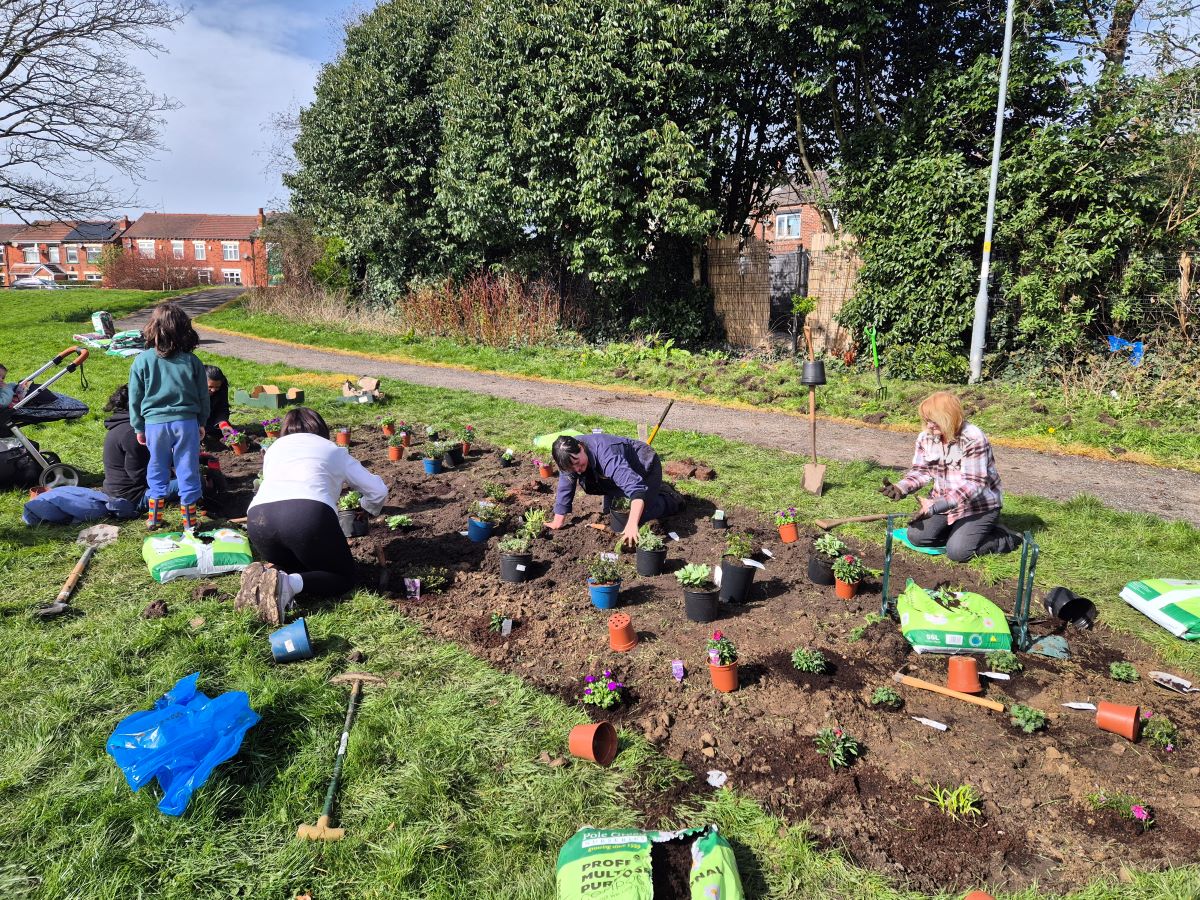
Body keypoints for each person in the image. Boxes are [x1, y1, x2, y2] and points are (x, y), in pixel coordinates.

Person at [235, 407, 387, 624]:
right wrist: (366, 506)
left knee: (299, 565)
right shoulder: (333, 450)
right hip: (306, 516)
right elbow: (378, 491)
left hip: (259, 520)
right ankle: (288, 584)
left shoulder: (274, 449)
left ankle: (267, 578)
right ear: (321, 428)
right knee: (344, 578)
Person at [879, 391, 1022, 562]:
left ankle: (1005, 537)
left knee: (958, 552)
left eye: (933, 420)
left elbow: (974, 484)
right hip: (942, 505)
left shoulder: (972, 438)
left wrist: (937, 505)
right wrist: (901, 487)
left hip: (978, 506)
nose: (929, 426)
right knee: (916, 537)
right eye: (926, 420)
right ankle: (959, 532)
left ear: (949, 417)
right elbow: (921, 471)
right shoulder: (926, 437)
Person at [128, 302, 209, 531]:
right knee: (187, 467)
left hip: (154, 425)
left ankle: (154, 518)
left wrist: (138, 427)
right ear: (184, 329)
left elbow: (135, 398)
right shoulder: (192, 361)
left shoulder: (142, 360)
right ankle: (190, 523)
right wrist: (202, 422)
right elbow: (203, 396)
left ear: (153, 327)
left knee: (157, 466)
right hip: (186, 423)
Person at [548, 432, 684, 547]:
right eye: (572, 468)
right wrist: (558, 519)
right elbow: (566, 484)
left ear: (581, 447)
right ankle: (627, 493)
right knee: (612, 513)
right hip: (619, 470)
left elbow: (636, 490)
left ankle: (671, 498)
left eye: (578, 463)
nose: (577, 470)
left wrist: (632, 524)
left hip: (645, 466)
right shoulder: (568, 457)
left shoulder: (607, 455)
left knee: (640, 517)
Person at [101, 385, 178, 513]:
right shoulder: (132, 434)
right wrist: (172, 473)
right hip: (132, 499)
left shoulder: (122, 424)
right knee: (193, 481)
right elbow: (140, 474)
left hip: (116, 491)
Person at [203, 365, 232, 447]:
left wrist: (223, 423)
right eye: (210, 387)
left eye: (217, 387)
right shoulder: (191, 389)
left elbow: (222, 407)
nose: (213, 390)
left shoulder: (222, 387)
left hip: (211, 417)